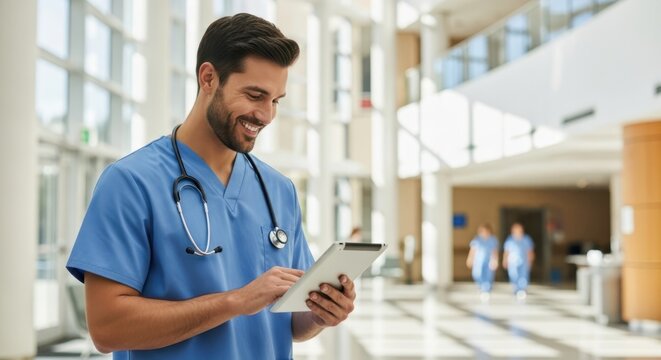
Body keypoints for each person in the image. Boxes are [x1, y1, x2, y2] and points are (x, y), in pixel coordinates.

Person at [66, 13, 355, 359]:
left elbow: (291, 323)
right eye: (254, 95)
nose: (265, 115)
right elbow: (107, 328)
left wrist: (321, 313)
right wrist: (235, 302)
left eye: (275, 101)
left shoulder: (279, 190)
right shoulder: (131, 183)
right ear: (208, 78)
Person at [465, 223, 499, 301]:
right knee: (477, 274)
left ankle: (486, 290)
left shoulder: (493, 240)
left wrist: (495, 260)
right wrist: (470, 259)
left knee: (488, 276)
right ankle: (481, 286)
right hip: (478, 262)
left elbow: (494, 251)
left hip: (489, 261)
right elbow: (473, 251)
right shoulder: (477, 240)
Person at [502, 222, 535, 300]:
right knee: (513, 275)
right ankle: (516, 289)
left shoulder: (526, 239)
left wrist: (530, 261)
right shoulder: (509, 240)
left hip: (524, 261)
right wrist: (505, 260)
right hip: (512, 262)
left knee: (523, 276)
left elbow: (529, 251)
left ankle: (522, 290)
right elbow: (506, 252)